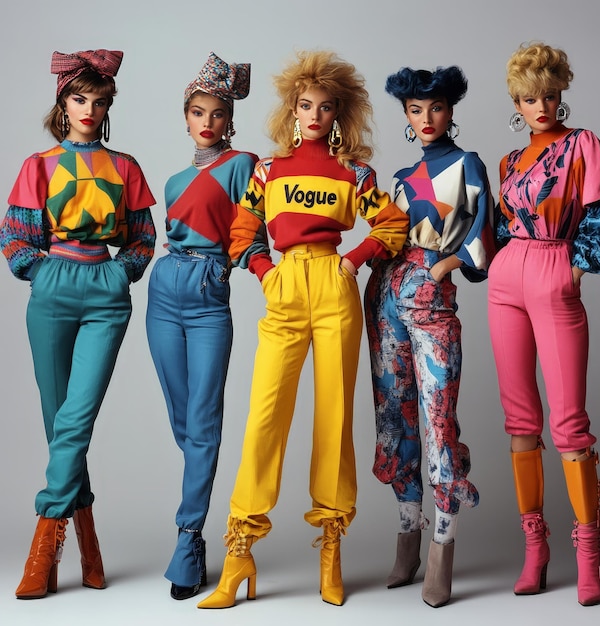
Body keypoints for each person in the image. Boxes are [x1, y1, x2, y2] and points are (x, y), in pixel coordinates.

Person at [196, 50, 409, 609]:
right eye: (305, 105)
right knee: (265, 414)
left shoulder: (353, 172)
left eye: (326, 107)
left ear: (339, 114)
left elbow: (392, 223)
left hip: (334, 285)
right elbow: (242, 231)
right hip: (286, 285)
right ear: (292, 110)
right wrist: (266, 272)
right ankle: (240, 549)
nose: (314, 115)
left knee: (335, 416)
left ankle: (331, 547)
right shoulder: (269, 170)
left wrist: (355, 257)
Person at [0, 50, 156, 599]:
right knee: (58, 421)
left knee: (76, 418)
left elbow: (142, 238)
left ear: (109, 106)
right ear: (62, 104)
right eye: (79, 98)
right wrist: (39, 272)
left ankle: (43, 545)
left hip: (104, 293)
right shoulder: (37, 165)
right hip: (52, 290)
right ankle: (88, 544)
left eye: (99, 101)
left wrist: (120, 274)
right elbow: (13, 236)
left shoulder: (125, 167)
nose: (89, 109)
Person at [488, 42, 600, 606]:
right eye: (527, 98)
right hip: (506, 279)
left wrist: (575, 263)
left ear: (560, 94)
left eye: (547, 95)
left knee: (569, 422)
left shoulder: (582, 146)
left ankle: (589, 556)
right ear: (515, 104)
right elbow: (496, 227)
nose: (539, 106)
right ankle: (535, 550)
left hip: (553, 268)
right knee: (520, 419)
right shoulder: (508, 163)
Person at [364, 65, 494, 608]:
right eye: (415, 110)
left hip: (432, 297)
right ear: (405, 115)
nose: (426, 119)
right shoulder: (399, 175)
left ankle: (442, 546)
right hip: (387, 296)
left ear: (451, 110)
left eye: (435, 108)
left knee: (438, 417)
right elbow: (385, 231)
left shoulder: (468, 164)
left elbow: (482, 236)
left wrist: (444, 269)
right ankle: (407, 537)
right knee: (395, 416)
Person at [145, 52, 257, 601]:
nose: (207, 121)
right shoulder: (170, 181)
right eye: (197, 112)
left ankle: (188, 536)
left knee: (204, 420)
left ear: (229, 119)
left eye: (216, 113)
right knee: (183, 419)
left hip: (210, 295)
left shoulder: (244, 163)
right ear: (185, 117)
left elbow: (255, 223)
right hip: (164, 289)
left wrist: (234, 263)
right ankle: (198, 522)